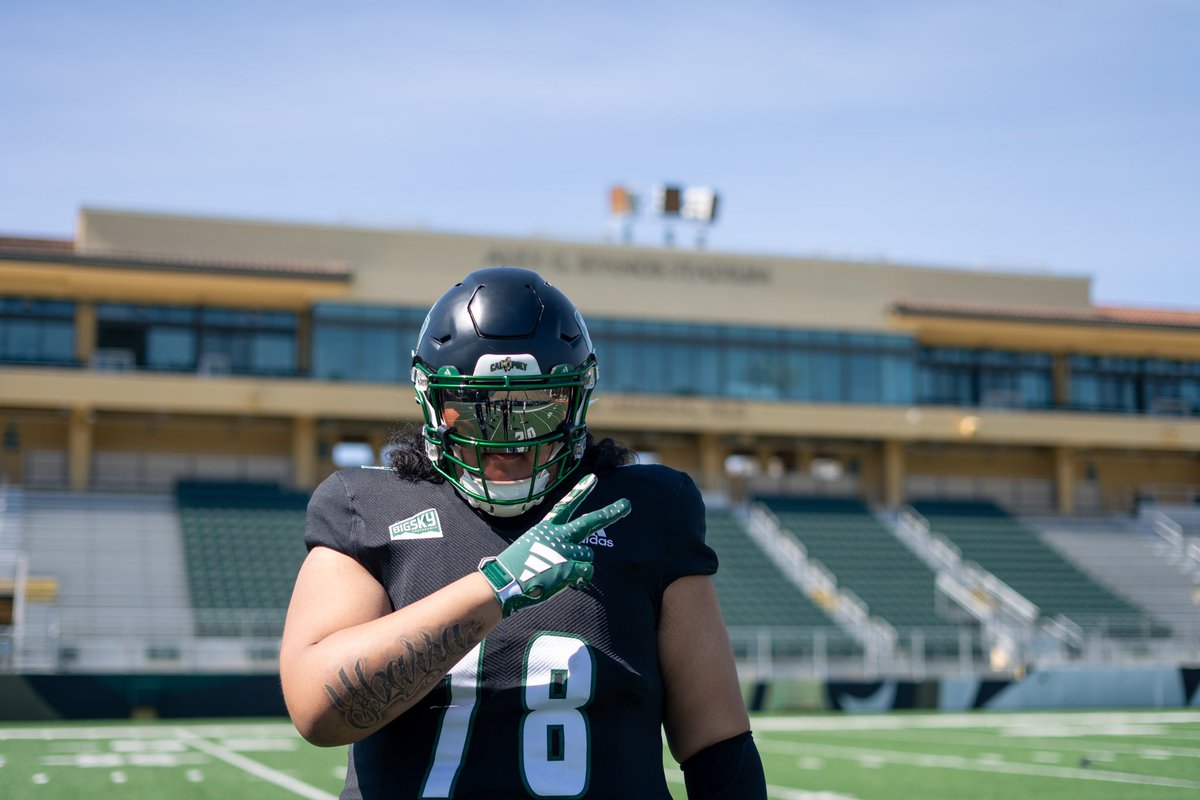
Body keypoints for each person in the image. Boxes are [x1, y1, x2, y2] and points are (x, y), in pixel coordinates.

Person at [280, 267, 766, 799]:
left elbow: (716, 742)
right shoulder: (367, 506)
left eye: (535, 409)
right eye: (478, 410)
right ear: (434, 404)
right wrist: (500, 586)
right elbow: (318, 711)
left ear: (576, 401)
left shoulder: (644, 507)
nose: (509, 441)